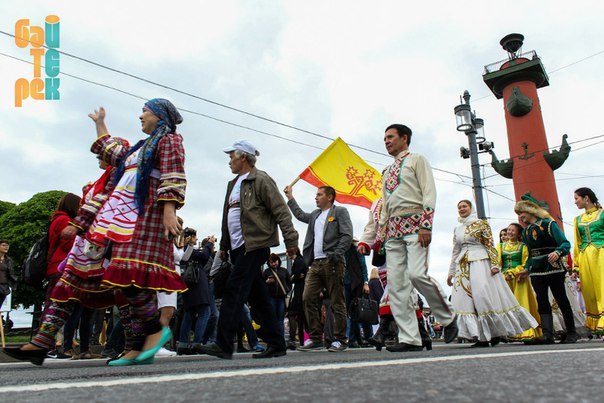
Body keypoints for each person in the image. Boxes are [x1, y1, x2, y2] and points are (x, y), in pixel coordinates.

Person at [87, 99, 188, 365]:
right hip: (128, 219)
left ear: (159, 116)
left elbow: (173, 174)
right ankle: (138, 346)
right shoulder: (139, 148)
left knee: (132, 278)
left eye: (145, 111)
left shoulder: (169, 141)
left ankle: (152, 334)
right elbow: (111, 151)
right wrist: (100, 124)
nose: (140, 116)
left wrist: (169, 211)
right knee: (127, 283)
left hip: (151, 215)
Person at [359, 124, 457, 352]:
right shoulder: (386, 171)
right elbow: (384, 208)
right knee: (397, 286)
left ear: (405, 138)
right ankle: (410, 338)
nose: (386, 141)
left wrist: (426, 224)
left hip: (415, 227)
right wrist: (373, 238)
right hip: (392, 232)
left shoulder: (417, 160)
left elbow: (429, 192)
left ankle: (449, 316)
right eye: (384, 138)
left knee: (416, 275)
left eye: (390, 137)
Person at [198, 139, 299, 360]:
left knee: (234, 289)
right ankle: (276, 342)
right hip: (235, 247)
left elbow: (281, 211)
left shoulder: (261, 179)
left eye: (231, 156)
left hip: (254, 245)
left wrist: (291, 240)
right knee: (259, 297)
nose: (229, 161)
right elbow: (228, 218)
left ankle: (223, 343)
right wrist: (224, 246)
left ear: (243, 156)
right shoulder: (232, 184)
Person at [447, 200, 538, 347]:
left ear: (471, 208)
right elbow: (455, 251)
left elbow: (489, 244)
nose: (461, 209)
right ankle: (481, 336)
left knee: (482, 296)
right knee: (467, 301)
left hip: (481, 262)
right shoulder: (457, 229)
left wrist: (495, 264)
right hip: (463, 266)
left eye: (464, 206)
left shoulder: (482, 224)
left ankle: (493, 333)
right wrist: (451, 272)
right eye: (459, 207)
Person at [284, 185, 353, 352]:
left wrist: (337, 253)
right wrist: (290, 198)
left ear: (329, 197)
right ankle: (315, 338)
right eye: (316, 195)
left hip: (333, 263)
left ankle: (340, 339)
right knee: (307, 298)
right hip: (315, 264)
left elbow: (347, 234)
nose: (316, 197)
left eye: (319, 195)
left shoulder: (339, 212)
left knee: (337, 302)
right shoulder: (315, 215)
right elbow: (300, 215)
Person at [515, 197, 578, 344]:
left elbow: (565, 243)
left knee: (562, 299)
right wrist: (526, 269)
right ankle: (547, 334)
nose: (521, 216)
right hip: (537, 271)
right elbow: (531, 254)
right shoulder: (526, 232)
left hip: (553, 268)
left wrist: (558, 252)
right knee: (542, 301)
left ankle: (572, 332)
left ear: (530, 211)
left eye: (521, 212)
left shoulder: (549, 225)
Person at [497, 223, 542, 342]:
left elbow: (525, 262)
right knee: (507, 305)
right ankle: (511, 332)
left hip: (519, 278)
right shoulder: (501, 246)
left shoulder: (523, 246)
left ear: (518, 234)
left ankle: (527, 331)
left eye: (513, 231)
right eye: (508, 230)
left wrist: (515, 272)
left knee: (522, 303)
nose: (510, 232)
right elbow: (498, 263)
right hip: (505, 279)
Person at [572, 187, 603, 336]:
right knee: (590, 292)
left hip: (601, 255)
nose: (575, 202)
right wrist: (575, 267)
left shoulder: (602, 214)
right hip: (585, 258)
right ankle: (597, 325)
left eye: (576, 198)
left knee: (602, 288)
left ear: (586, 198)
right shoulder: (578, 220)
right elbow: (577, 244)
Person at [178, 232, 215, 355]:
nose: (196, 239)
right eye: (194, 237)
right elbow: (204, 256)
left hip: (187, 285)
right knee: (205, 311)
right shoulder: (186, 248)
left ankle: (183, 344)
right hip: (196, 284)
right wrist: (210, 243)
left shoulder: (180, 248)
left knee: (189, 313)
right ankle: (197, 343)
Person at [344, 240, 371, 348]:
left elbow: (363, 266)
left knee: (357, 311)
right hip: (347, 283)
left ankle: (357, 338)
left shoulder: (356, 249)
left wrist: (365, 282)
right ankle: (354, 339)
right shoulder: (342, 251)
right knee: (351, 312)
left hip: (357, 283)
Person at [263, 253, 291, 344]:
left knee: (280, 319)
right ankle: (273, 339)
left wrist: (287, 290)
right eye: (271, 262)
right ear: (269, 263)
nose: (274, 264)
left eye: (275, 261)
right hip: (271, 298)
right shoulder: (266, 272)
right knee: (272, 319)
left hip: (281, 298)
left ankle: (281, 339)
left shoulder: (284, 271)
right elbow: (262, 286)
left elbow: (289, 283)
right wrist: (267, 282)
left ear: (278, 261)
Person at [286, 255, 308, 349]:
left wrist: (294, 277)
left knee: (292, 314)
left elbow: (295, 276)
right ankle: (304, 341)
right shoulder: (303, 261)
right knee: (301, 317)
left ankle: (292, 339)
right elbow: (296, 276)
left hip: (298, 292)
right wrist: (295, 276)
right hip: (303, 291)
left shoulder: (298, 261)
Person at [0, 240, 17, 309]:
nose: (6, 247)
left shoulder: (8, 260)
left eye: (7, 245)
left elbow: (11, 274)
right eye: (3, 245)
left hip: (3, 288)